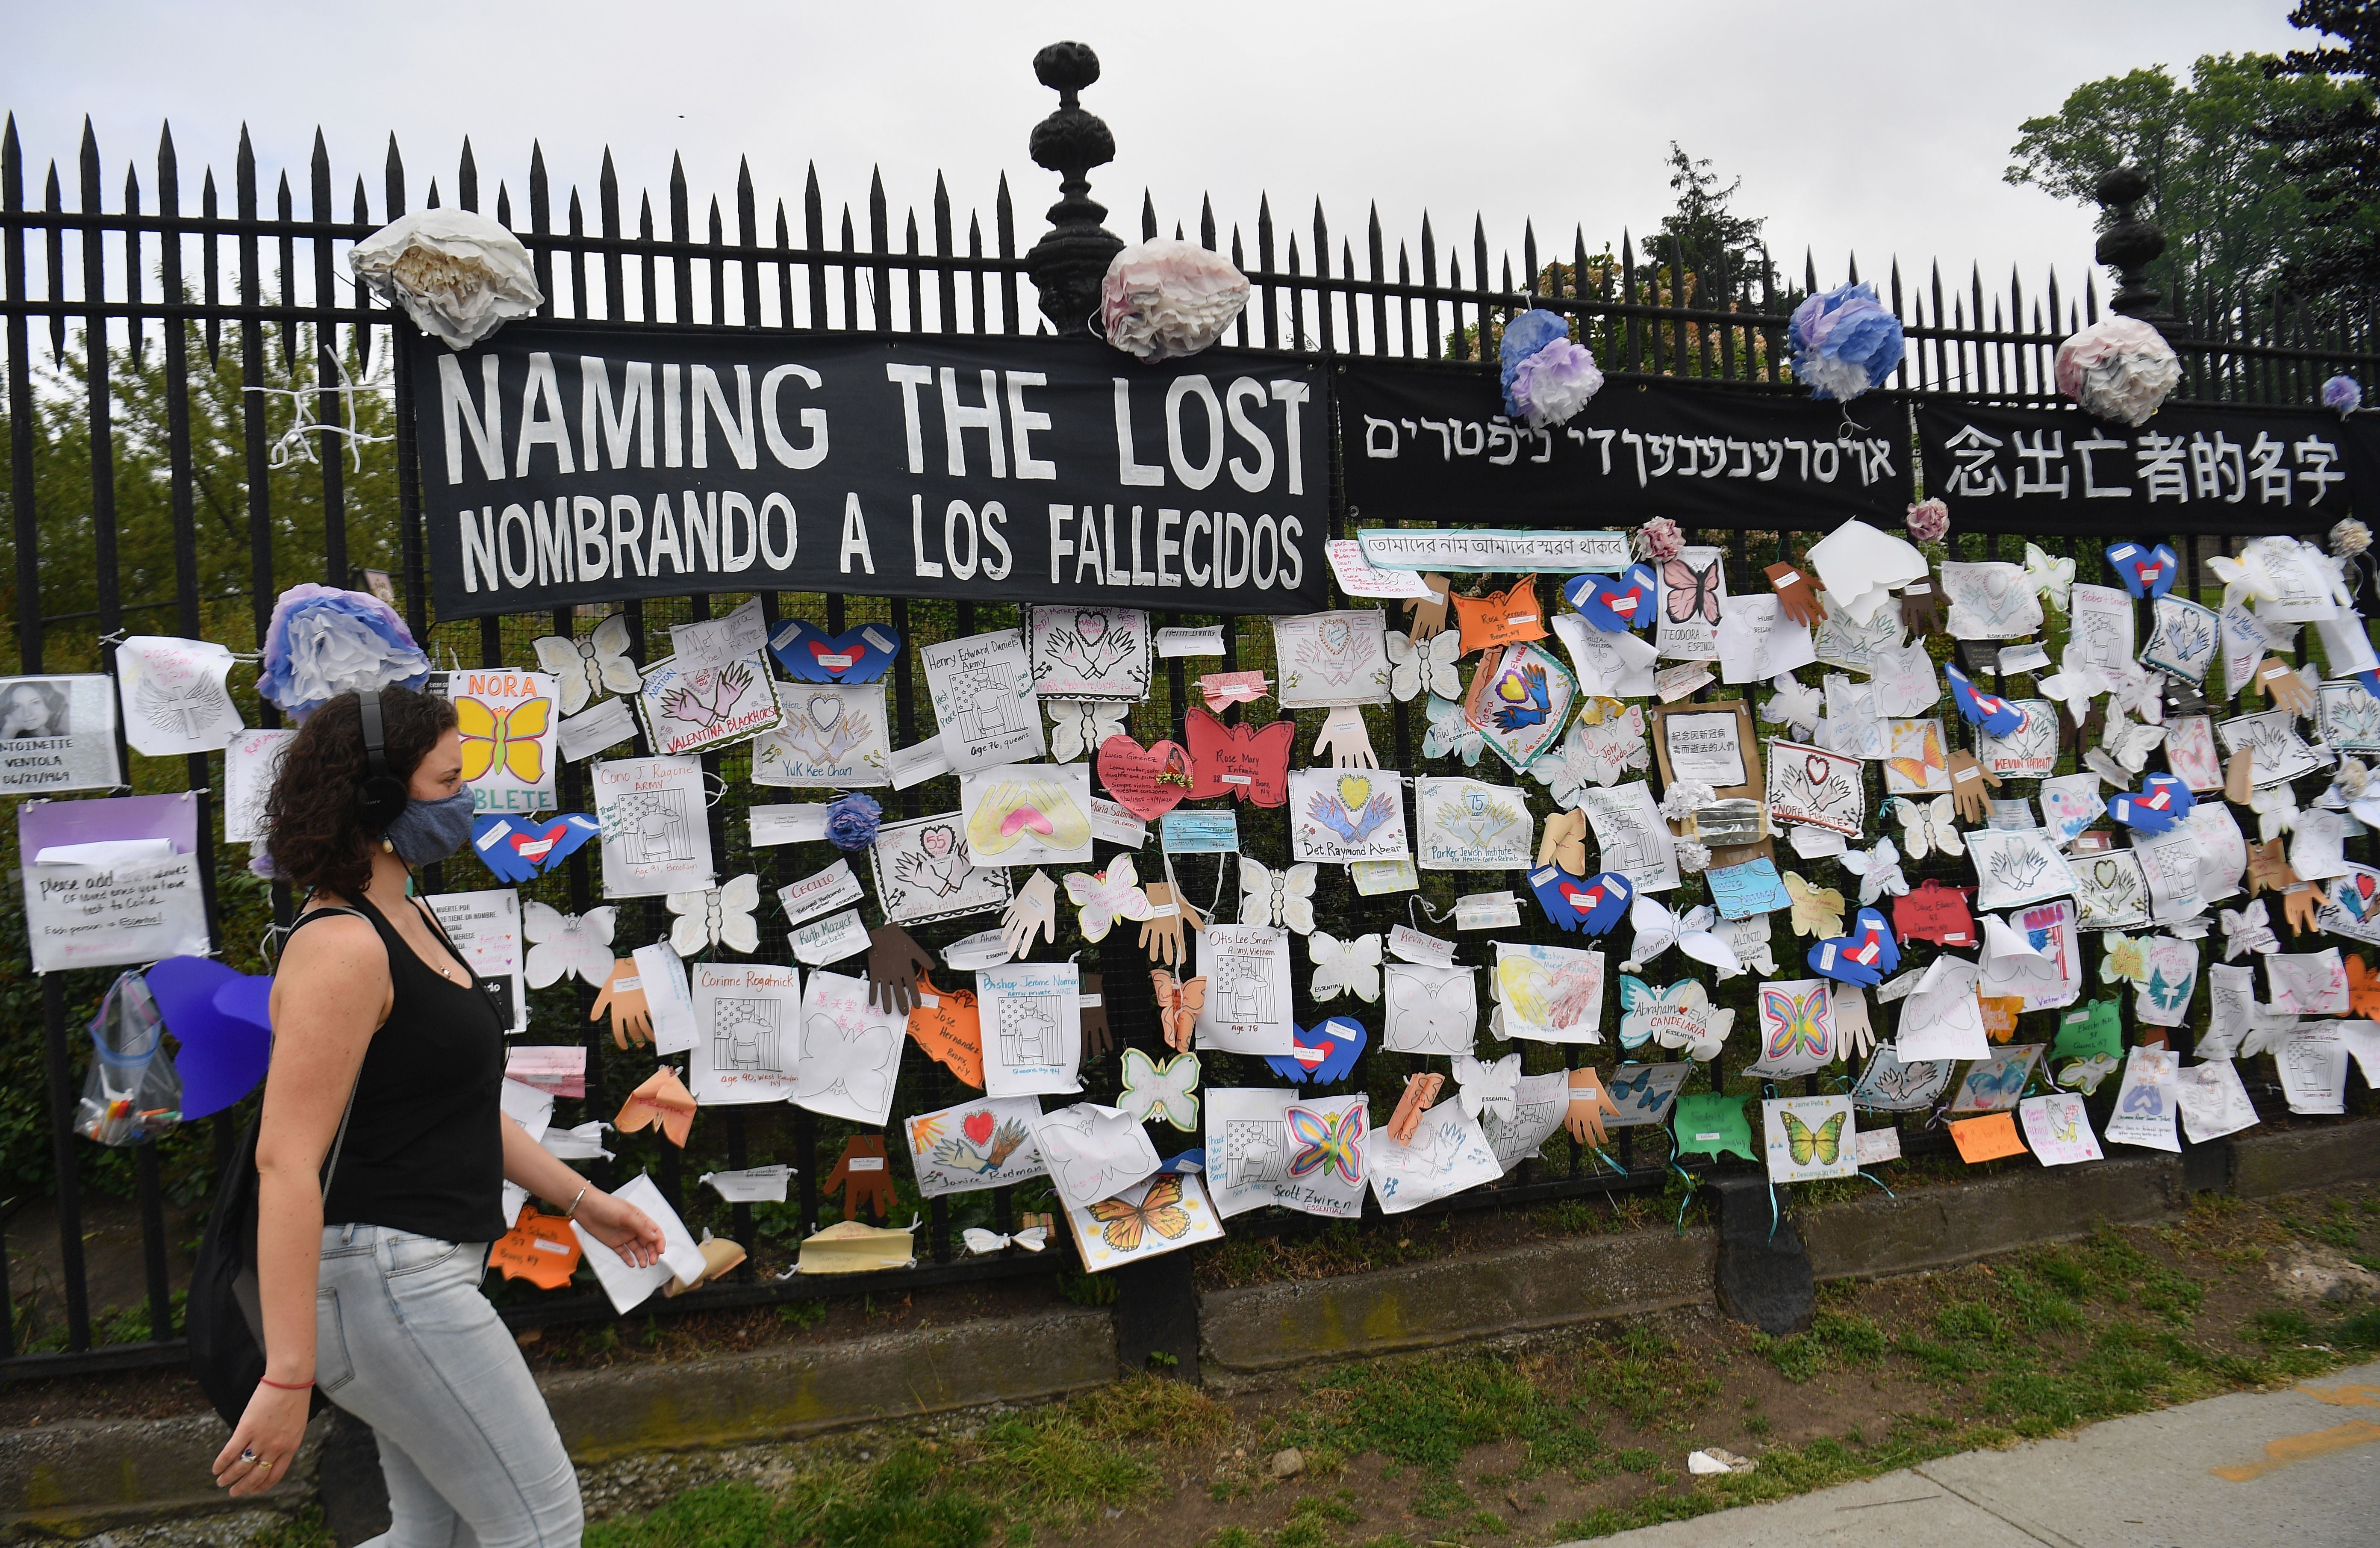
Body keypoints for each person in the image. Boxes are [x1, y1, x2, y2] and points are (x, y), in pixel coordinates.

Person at [212, 684, 663, 1545]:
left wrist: (585, 1202)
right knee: (541, 1526)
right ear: (379, 796)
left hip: (409, 1275)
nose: (467, 800)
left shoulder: (405, 914)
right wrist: (288, 1374)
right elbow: (286, 1161)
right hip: (385, 1281)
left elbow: (451, 1107)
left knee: (435, 1533)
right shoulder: (342, 946)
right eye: (450, 779)